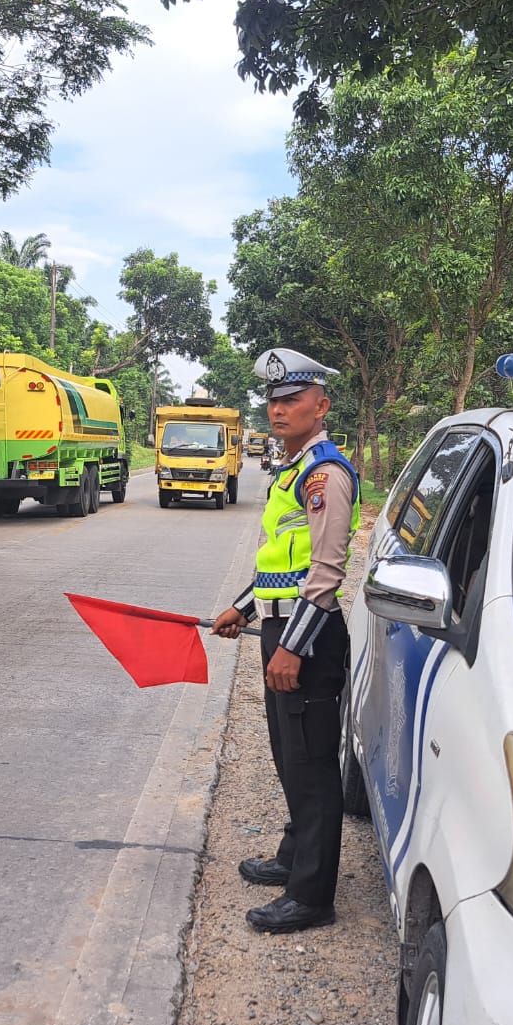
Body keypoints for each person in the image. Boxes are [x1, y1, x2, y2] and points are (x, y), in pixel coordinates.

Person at [211, 348, 361, 933]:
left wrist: (292, 647)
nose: (278, 410)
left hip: (309, 635)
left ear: (321, 407)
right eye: (273, 400)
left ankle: (312, 896)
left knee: (312, 766)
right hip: (282, 625)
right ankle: (294, 857)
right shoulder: (292, 470)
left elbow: (325, 573)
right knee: (288, 756)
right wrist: (242, 607)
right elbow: (282, 563)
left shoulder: (325, 475)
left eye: (292, 400)